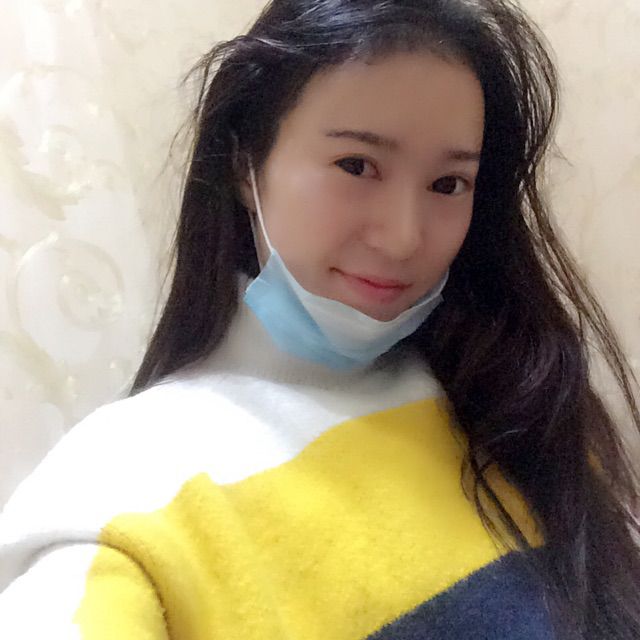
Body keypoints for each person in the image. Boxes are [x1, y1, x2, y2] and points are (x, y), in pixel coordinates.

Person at [1, 0, 639, 637]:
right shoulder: (123, 488)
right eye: (356, 166)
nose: (403, 238)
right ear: (244, 165)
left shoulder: (515, 394)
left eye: (448, 184)